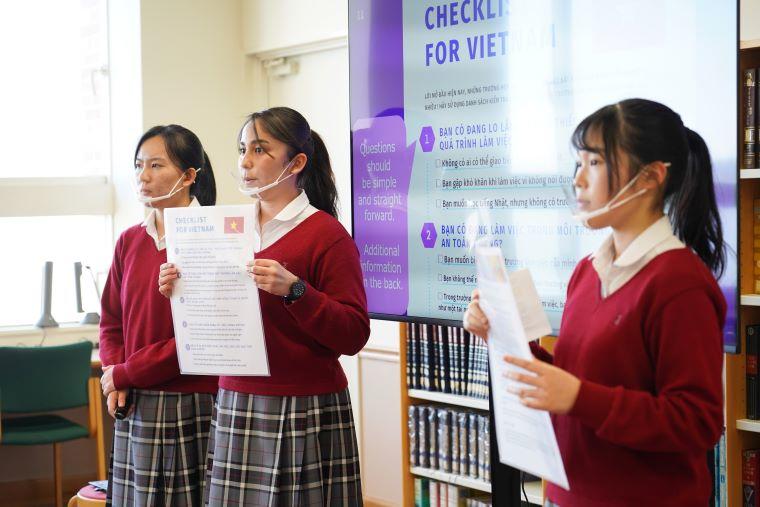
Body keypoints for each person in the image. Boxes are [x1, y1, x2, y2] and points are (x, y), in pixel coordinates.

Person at [465, 98, 726, 507]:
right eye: (578, 163)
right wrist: (501, 334)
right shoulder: (587, 271)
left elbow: (698, 421)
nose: (579, 180)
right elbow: (576, 381)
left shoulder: (680, 282)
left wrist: (578, 397)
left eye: (596, 163)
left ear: (650, 177)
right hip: (569, 495)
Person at [158, 106, 369, 505]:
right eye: (242, 149)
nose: (245, 162)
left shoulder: (327, 235)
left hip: (303, 402)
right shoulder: (221, 229)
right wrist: (179, 289)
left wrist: (297, 291)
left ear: (297, 162)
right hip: (235, 395)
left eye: (259, 150)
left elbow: (354, 333)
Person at [99, 124, 219, 506]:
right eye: (139, 165)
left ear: (189, 176)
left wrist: (125, 373)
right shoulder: (129, 240)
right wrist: (116, 375)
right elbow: (111, 321)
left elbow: (202, 334)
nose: (143, 176)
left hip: (191, 398)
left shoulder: (214, 236)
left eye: (155, 165)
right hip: (134, 397)